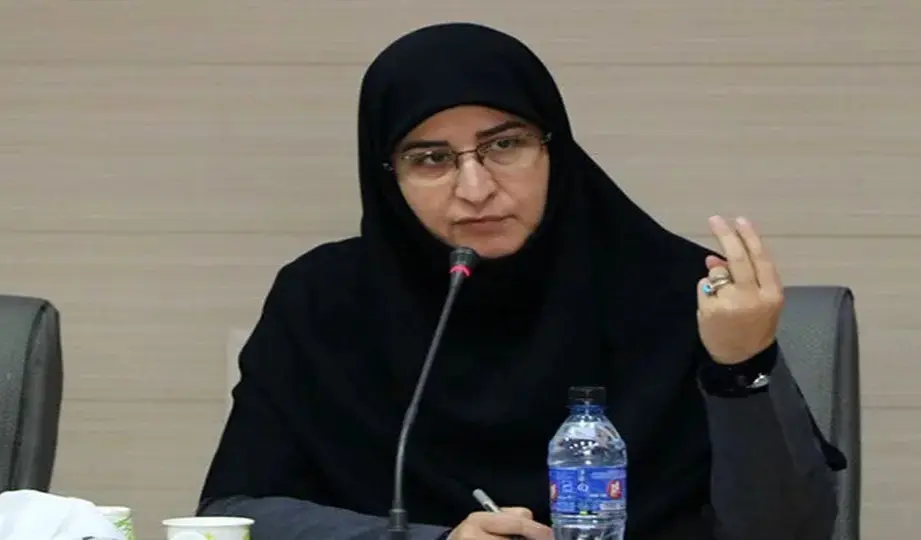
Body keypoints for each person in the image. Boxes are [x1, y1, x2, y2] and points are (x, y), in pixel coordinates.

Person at [196, 22, 847, 540]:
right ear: (387, 176)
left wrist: (743, 367)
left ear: (553, 149)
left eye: (504, 145)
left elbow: (789, 532)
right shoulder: (323, 300)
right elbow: (234, 515)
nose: (475, 188)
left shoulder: (681, 291)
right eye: (430, 159)